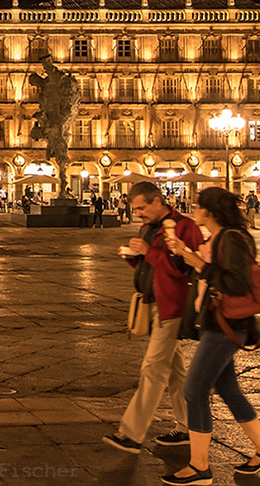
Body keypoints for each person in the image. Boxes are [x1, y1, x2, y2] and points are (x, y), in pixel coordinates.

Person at [162, 187, 260, 484]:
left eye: (197, 205)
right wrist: (181, 255)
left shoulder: (232, 239)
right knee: (228, 389)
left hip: (227, 323)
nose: (193, 209)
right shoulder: (215, 239)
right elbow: (202, 275)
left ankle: (199, 465)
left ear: (209, 211)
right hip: (216, 320)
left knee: (195, 390)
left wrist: (198, 262)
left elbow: (236, 284)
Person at [103, 181, 204, 455]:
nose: (138, 214)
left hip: (175, 307)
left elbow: (191, 268)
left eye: (141, 208)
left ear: (157, 201)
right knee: (175, 372)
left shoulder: (185, 227)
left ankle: (131, 434)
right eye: (135, 209)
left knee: (153, 367)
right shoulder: (149, 228)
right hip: (155, 303)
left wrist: (150, 253)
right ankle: (188, 427)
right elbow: (152, 264)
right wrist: (134, 258)